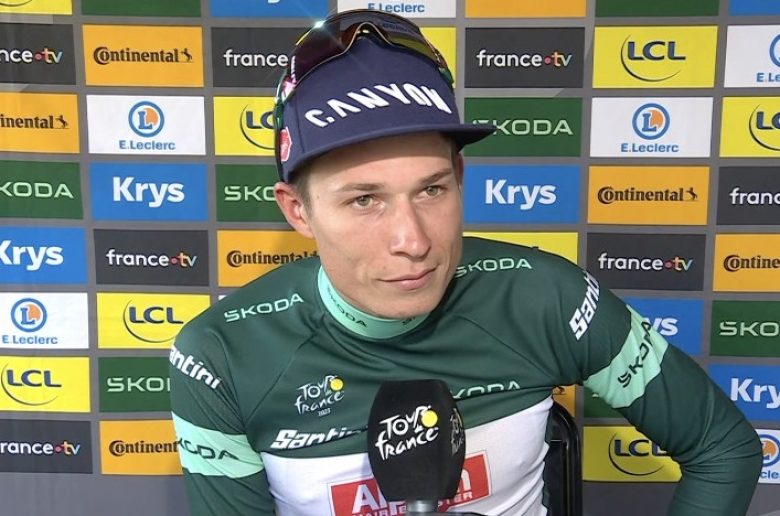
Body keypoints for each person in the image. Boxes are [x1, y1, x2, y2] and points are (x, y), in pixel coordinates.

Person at [169, 10, 762, 515]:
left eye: (431, 189)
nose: (413, 241)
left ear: (459, 177)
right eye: (364, 200)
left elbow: (722, 448)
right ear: (298, 210)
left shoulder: (543, 295)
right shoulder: (220, 356)